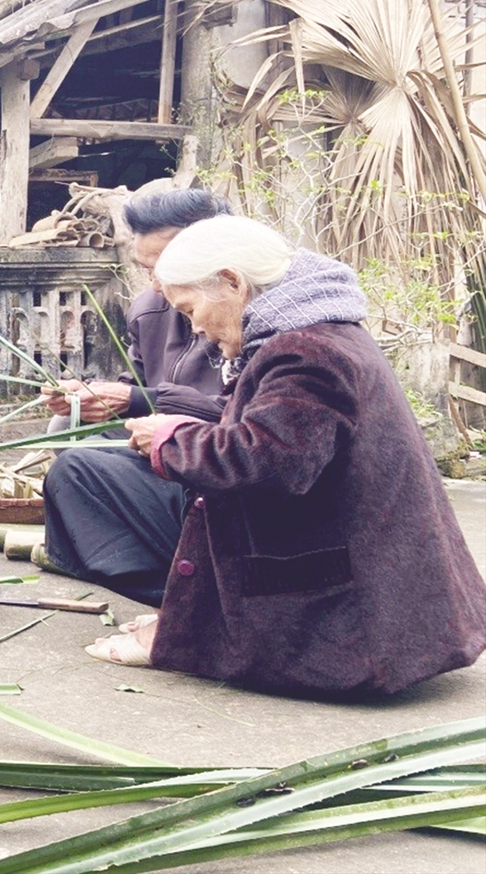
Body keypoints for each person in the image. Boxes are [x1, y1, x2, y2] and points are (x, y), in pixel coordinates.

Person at [86, 216, 486, 694]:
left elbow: (273, 462)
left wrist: (172, 439)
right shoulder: (315, 332)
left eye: (191, 308)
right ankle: (183, 625)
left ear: (231, 282)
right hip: (381, 588)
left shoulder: (306, 351)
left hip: (363, 628)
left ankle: (179, 636)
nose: (195, 328)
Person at [39, 189, 230, 604]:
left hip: (212, 456)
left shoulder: (240, 313)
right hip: (159, 442)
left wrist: (140, 400)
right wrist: (92, 400)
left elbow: (237, 418)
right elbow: (138, 383)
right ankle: (149, 569)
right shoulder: (149, 308)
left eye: (166, 268)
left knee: (78, 467)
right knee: (66, 434)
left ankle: (186, 594)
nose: (157, 284)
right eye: (147, 269)